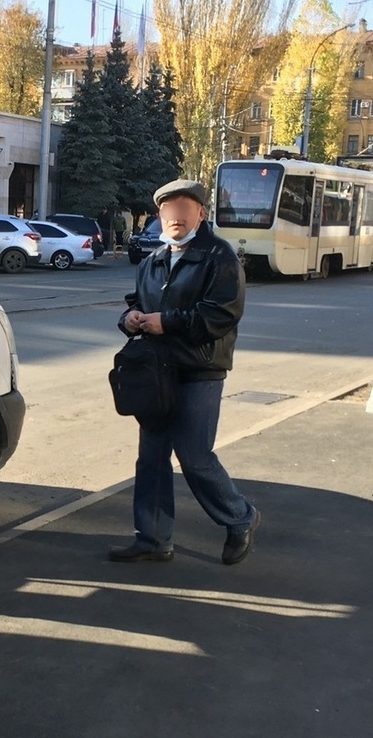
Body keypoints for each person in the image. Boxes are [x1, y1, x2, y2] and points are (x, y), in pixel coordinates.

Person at [110, 179, 259, 565]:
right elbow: (136, 303)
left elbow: (221, 315)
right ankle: (153, 538)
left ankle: (240, 517)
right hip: (156, 371)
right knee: (152, 457)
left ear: (201, 214)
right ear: (159, 216)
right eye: (168, 210)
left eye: (183, 208)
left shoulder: (220, 257)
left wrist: (168, 322)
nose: (175, 216)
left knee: (193, 455)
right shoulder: (153, 260)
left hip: (200, 370)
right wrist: (130, 318)